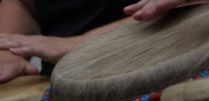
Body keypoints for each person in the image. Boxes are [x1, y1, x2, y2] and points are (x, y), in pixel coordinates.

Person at [0, 0, 138, 83]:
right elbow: (21, 3)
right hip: (56, 91)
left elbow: (157, 8)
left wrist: (83, 44)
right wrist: (7, 51)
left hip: (133, 77)